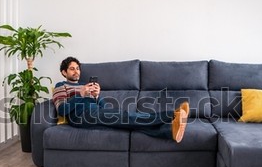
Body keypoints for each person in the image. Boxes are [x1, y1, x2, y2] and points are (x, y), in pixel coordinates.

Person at [52, 56, 189, 143]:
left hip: (95, 113)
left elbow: (103, 107)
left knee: (126, 123)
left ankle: (170, 131)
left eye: (77, 68)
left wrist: (97, 96)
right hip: (80, 117)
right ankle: (172, 114)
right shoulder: (61, 86)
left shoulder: (85, 85)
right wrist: (80, 95)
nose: (76, 71)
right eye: (72, 69)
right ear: (64, 72)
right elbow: (62, 110)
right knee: (126, 116)